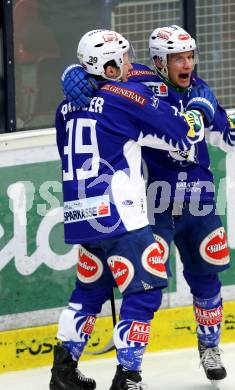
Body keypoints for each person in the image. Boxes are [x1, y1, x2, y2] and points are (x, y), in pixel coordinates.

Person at [61, 25, 235, 387]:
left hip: (199, 203)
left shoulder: (200, 91)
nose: (187, 64)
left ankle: (209, 347)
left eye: (190, 55)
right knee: (145, 288)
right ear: (159, 63)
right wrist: (71, 74)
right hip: (153, 208)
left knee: (206, 278)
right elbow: (100, 69)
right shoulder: (137, 82)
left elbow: (229, 137)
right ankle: (130, 372)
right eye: (178, 58)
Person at [51, 28, 218, 390]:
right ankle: (128, 377)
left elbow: (69, 147)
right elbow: (180, 133)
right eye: (121, 60)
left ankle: (63, 372)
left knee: (88, 291)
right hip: (120, 215)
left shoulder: (65, 107)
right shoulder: (125, 96)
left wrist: (71, 73)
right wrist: (198, 111)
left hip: (82, 213)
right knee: (145, 290)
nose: (128, 64)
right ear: (107, 67)